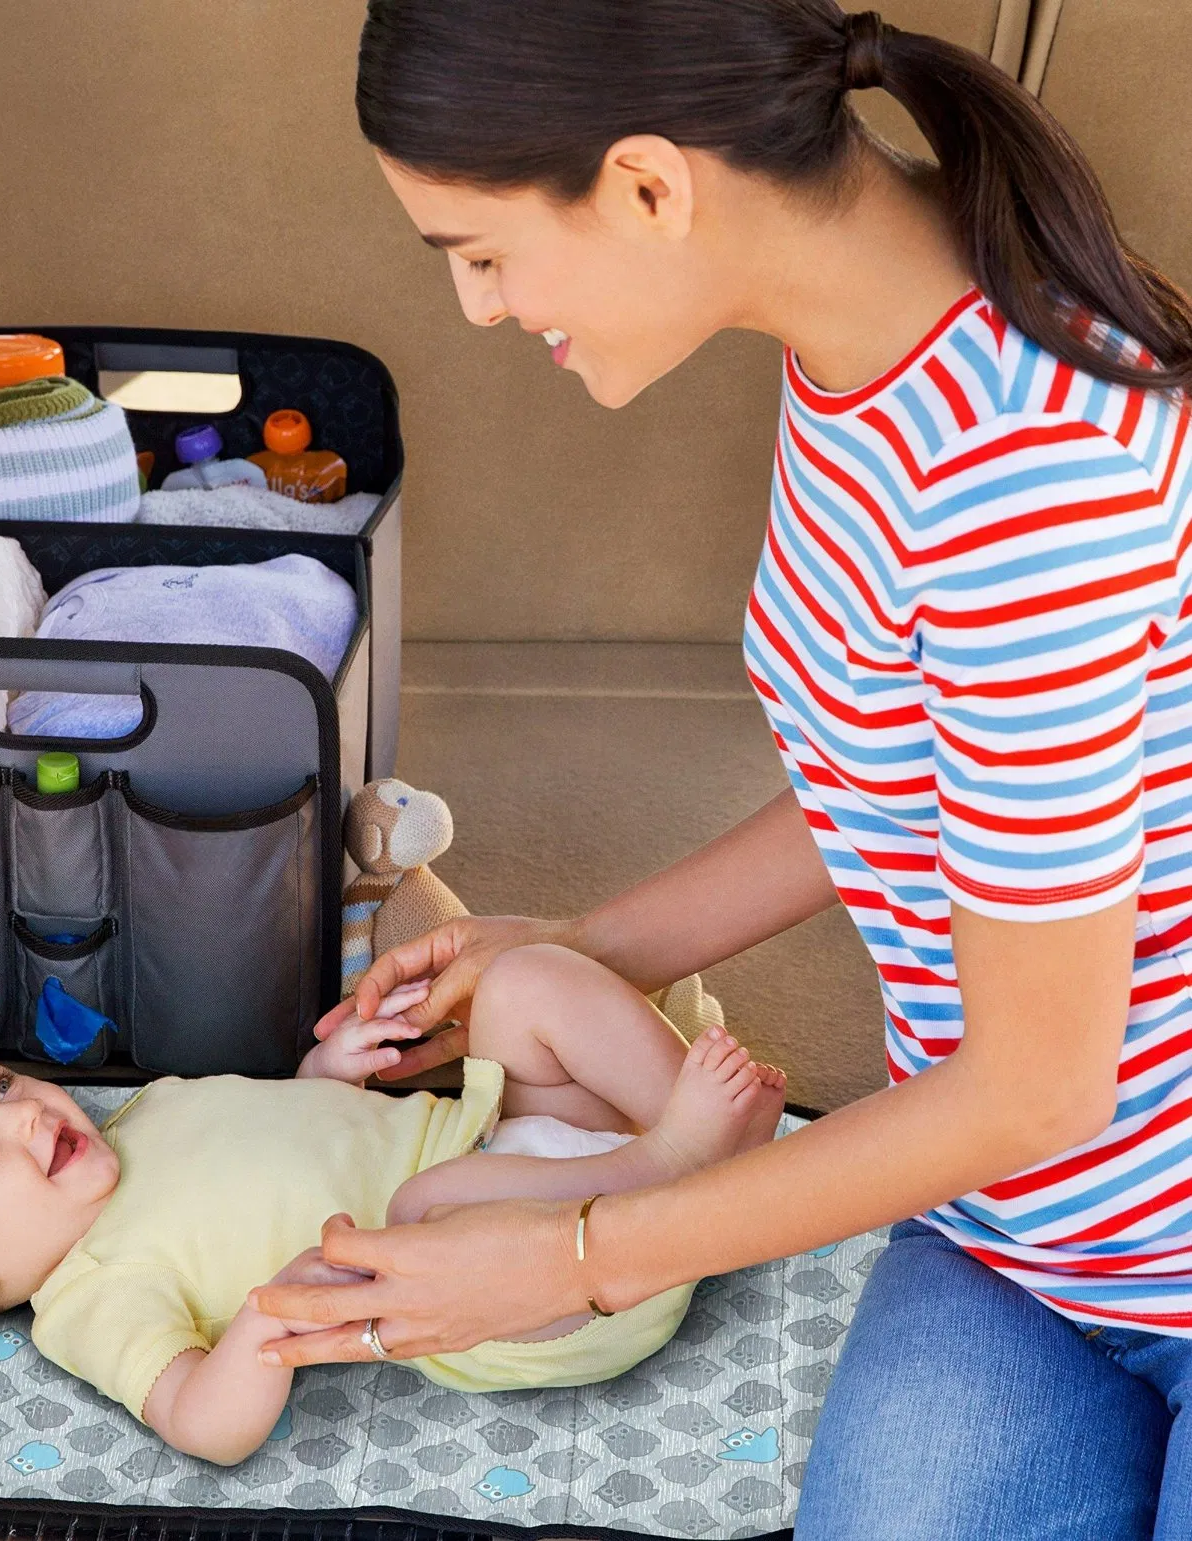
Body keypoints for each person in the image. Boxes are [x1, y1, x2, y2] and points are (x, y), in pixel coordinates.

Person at [247, 2, 1192, 1537]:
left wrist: (579, 1256)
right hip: (1014, 1240)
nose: (479, 307)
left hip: (1094, 1180)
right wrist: (578, 947)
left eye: (480, 254)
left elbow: (1039, 1086)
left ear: (647, 185)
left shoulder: (1025, 479)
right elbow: (895, 777)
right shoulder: (866, 348)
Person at [0, 952, 784, 1466]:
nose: (19, 1114)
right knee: (416, 1206)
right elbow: (201, 1422)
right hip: (529, 1290)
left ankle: (709, 1133)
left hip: (510, 1141)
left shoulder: (142, 1112)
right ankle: (674, 1157)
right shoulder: (88, 1296)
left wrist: (328, 1074)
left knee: (520, 986)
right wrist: (266, 1320)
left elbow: (277, 1126)